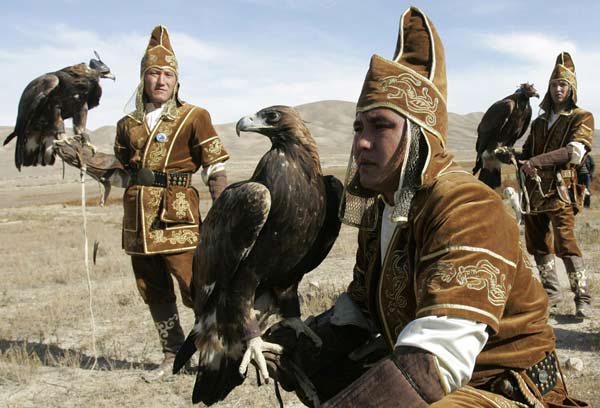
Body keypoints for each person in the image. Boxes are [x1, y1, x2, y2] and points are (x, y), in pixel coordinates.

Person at [262, 7, 589, 407]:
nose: (361, 142)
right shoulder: (382, 208)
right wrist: (298, 341)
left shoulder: (467, 206)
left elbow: (434, 363)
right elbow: (361, 309)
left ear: (419, 135)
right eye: (358, 127)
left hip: (508, 390)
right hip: (441, 377)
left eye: (381, 126)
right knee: (320, 365)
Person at [113, 25, 229, 381]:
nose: (161, 80)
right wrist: (86, 160)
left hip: (177, 215)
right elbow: (121, 172)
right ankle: (172, 354)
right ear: (143, 78)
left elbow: (215, 167)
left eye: (168, 74)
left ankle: (214, 354)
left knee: (196, 285)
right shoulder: (126, 124)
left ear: (176, 80)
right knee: (152, 290)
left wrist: (223, 215)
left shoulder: (194, 116)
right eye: (154, 73)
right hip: (138, 222)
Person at [519, 52, 594, 318]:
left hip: (562, 191)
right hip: (534, 192)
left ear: (571, 88)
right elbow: (526, 153)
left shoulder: (581, 117)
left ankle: (583, 298)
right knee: (537, 244)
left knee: (566, 244)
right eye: (553, 85)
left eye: (563, 85)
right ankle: (551, 294)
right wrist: (505, 155)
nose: (558, 89)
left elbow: (575, 152)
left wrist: (536, 161)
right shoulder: (539, 122)